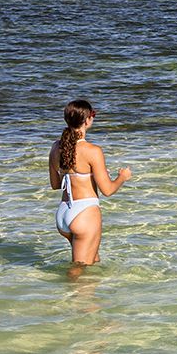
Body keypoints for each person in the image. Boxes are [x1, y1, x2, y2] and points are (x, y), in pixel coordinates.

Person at [47, 99, 131, 266]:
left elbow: (55, 185)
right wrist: (123, 177)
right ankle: (70, 292)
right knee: (79, 271)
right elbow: (107, 190)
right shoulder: (93, 151)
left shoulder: (56, 147)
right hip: (84, 212)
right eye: (93, 115)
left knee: (93, 262)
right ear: (87, 120)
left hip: (64, 213)